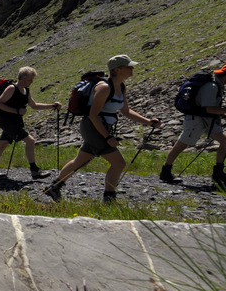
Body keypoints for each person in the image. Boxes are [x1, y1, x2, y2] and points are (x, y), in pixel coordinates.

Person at [45, 55, 161, 203]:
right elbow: (93, 115)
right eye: (129, 66)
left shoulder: (121, 86)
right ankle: (109, 199)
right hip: (94, 127)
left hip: (99, 128)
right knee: (119, 163)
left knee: (81, 161)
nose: (132, 68)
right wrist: (107, 136)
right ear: (117, 69)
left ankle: (53, 188)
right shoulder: (104, 88)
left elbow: (126, 111)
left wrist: (149, 122)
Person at [159, 63, 226, 188]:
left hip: (208, 119)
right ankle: (166, 171)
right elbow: (209, 109)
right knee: (182, 144)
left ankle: (218, 173)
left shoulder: (216, 84)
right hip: (196, 119)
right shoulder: (212, 86)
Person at [0, 67, 61, 179]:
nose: (32, 82)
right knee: (30, 141)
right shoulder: (11, 88)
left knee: (3, 144)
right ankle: (34, 171)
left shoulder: (26, 90)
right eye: (30, 79)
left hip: (15, 122)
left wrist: (52, 106)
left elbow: (34, 105)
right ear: (23, 78)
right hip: (7, 122)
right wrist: (16, 111)